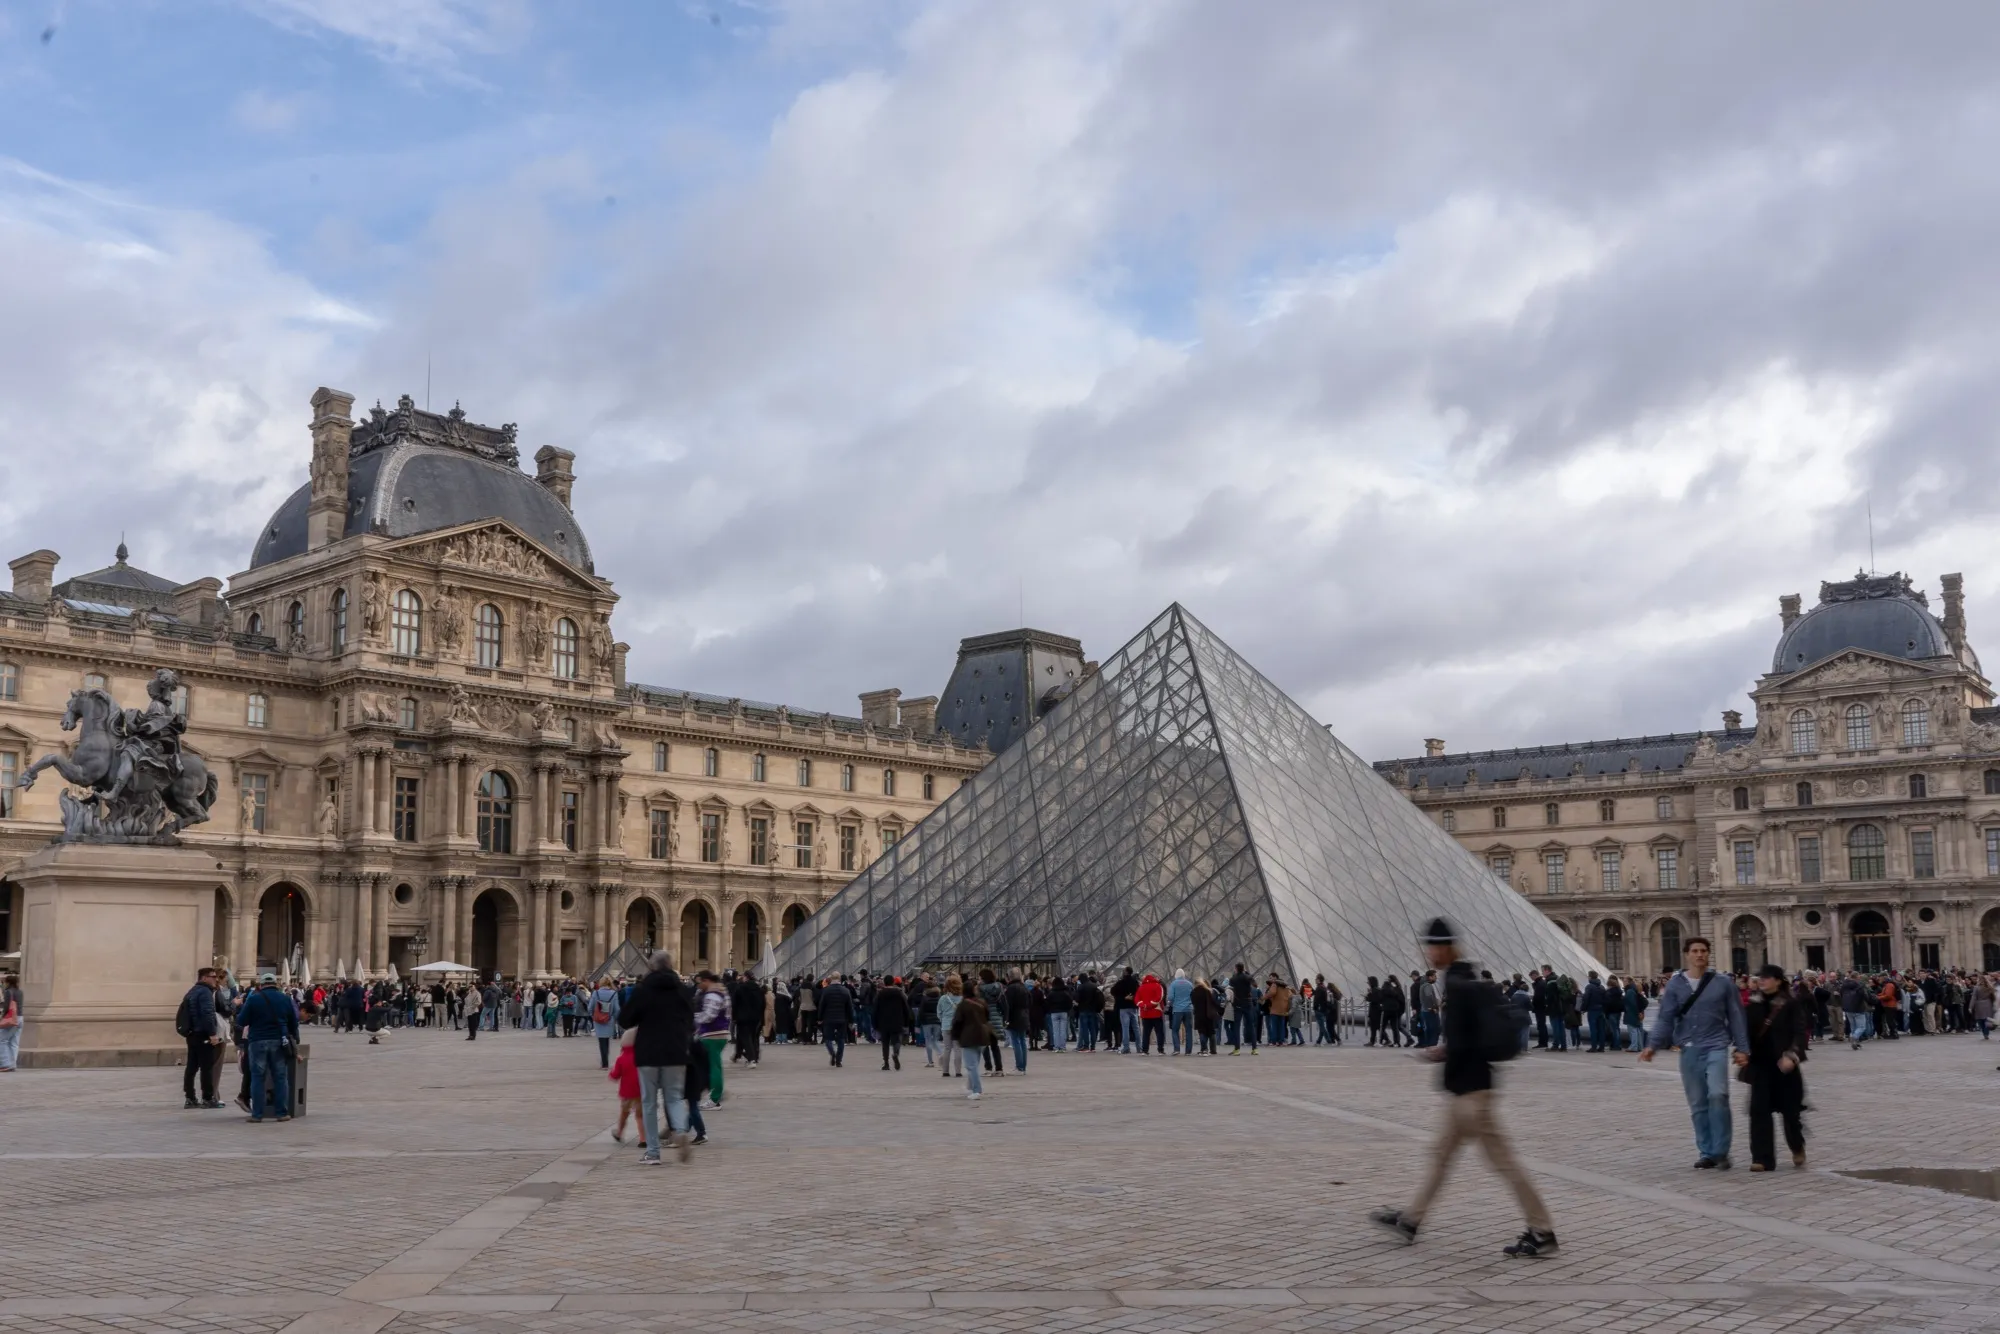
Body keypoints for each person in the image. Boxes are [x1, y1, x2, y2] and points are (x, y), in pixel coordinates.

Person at [1369, 918, 1557, 1258]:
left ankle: (1542, 1230)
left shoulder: (1455, 984)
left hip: (1472, 1095)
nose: (1427, 953)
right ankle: (1411, 1220)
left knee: (1504, 1164)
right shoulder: (1464, 979)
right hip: (1467, 1091)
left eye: (1431, 946)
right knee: (1440, 1157)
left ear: (1443, 948)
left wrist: (1441, 1052)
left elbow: (1461, 1040)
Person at [1642, 936, 1750, 1170]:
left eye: (1703, 951)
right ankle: (1707, 1151)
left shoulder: (1723, 983)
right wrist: (1653, 1045)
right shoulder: (1675, 985)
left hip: (1716, 1046)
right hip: (1689, 1049)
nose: (1700, 954)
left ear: (1708, 954)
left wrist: (1742, 1048)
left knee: (1718, 1095)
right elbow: (1666, 1018)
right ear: (1687, 955)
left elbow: (1736, 1016)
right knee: (1698, 1103)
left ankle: (1721, 1150)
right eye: (1695, 951)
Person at [617, 951, 696, 1165]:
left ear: (651, 967)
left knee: (649, 1103)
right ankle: (680, 1130)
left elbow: (625, 1019)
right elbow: (692, 1020)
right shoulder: (682, 989)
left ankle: (653, 1153)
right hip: (676, 1050)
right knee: (675, 1097)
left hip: (649, 1051)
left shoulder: (644, 990)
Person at [1743, 964, 1809, 1172]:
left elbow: (1799, 1032)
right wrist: (1740, 1050)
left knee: (1791, 1113)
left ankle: (1797, 1145)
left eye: (1767, 977)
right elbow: (1744, 1032)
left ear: (1778, 980)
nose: (1762, 980)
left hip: (1785, 1067)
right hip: (1761, 1066)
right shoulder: (1753, 1004)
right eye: (1760, 977)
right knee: (1758, 1111)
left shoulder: (1790, 1003)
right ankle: (1762, 1159)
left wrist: (1792, 1055)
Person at [235, 970, 300, 1123]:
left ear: (261, 985)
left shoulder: (254, 999)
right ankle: (281, 1113)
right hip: (279, 1040)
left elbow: (241, 1021)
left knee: (258, 1078)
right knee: (280, 1077)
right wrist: (294, 1040)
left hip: (257, 1041)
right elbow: (293, 1022)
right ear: (275, 985)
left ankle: (257, 1114)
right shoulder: (285, 999)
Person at [176, 968, 224, 1108]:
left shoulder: (192, 991)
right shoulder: (205, 992)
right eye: (213, 976)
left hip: (192, 1034)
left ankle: (190, 1097)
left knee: (191, 1067)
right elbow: (207, 1013)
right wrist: (212, 1034)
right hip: (202, 1033)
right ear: (204, 978)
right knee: (206, 1067)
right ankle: (208, 1098)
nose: (216, 979)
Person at [949, 980, 992, 1100]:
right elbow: (988, 1017)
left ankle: (976, 1090)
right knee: (975, 1064)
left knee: (971, 1065)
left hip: (968, 1037)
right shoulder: (982, 1002)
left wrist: (955, 1036)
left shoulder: (963, 1005)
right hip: (983, 1035)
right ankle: (971, 1086)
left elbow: (957, 1022)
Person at [693, 972, 731, 1105]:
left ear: (706, 980)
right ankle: (714, 1094)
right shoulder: (722, 992)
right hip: (720, 1033)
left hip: (712, 1033)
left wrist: (695, 1019)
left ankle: (714, 1097)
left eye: (700, 982)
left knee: (713, 1066)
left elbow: (709, 1015)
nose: (699, 985)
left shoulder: (712, 995)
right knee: (714, 1065)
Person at [873, 976, 911, 1071]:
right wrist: (907, 1021)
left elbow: (875, 1009)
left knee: (885, 1043)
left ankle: (886, 1063)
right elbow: (905, 1007)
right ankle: (895, 1053)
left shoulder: (880, 994)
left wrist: (874, 1023)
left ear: (884, 983)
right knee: (897, 1040)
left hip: (883, 1021)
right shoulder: (899, 993)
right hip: (897, 1020)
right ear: (893, 982)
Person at [609, 1035, 642, 1144]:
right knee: (640, 1115)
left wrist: (611, 1074)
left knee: (624, 1113)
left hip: (627, 1092)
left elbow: (615, 1075)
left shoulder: (622, 1058)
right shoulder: (641, 1056)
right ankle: (643, 1138)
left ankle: (619, 1133)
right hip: (641, 1090)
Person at [817, 974, 854, 1067]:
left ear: (831, 979)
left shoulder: (826, 991)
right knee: (841, 1039)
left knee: (828, 1038)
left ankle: (832, 1052)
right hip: (842, 1019)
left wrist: (820, 1018)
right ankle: (839, 1060)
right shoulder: (846, 991)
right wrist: (851, 1020)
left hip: (828, 1018)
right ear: (840, 979)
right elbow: (850, 1007)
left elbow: (822, 1005)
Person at [1227, 963, 1259, 1054]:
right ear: (1243, 968)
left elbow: (1230, 990)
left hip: (1237, 1004)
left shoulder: (1233, 979)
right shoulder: (1247, 977)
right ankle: (1254, 1049)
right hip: (1248, 1003)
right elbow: (1255, 985)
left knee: (1236, 1027)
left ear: (1236, 968)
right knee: (1251, 1026)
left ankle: (1237, 1049)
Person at [1134, 972, 1166, 1055]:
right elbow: (1159, 998)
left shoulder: (1141, 987)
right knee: (1159, 1032)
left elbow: (1137, 999)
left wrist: (1144, 1005)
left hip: (1145, 1013)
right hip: (1156, 1012)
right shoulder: (1158, 986)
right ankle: (1160, 1050)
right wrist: (1151, 1004)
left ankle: (1145, 1050)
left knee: (1146, 1033)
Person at [0, 972, 21, 1072]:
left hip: (11, 1018)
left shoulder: (8, 992)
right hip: (20, 1018)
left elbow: (7, 1007)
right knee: (14, 1042)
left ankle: (5, 1063)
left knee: (2, 1040)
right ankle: (13, 1064)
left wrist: (2, 1018)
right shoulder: (20, 991)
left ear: (8, 982)